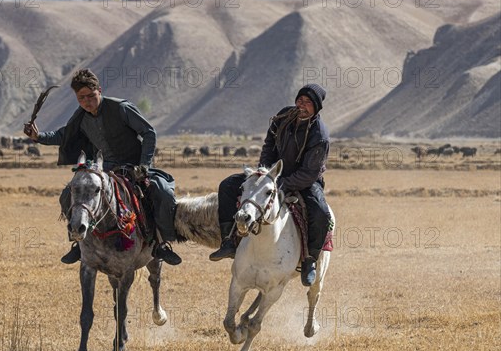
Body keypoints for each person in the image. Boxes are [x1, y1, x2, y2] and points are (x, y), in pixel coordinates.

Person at [24, 68, 181, 265]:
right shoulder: (80, 117)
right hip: (104, 170)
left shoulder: (121, 108)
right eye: (81, 98)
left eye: (91, 96)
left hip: (134, 168)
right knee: (68, 194)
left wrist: (143, 166)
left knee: (162, 192)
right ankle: (77, 241)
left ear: (99, 90)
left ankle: (162, 244)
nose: (86, 102)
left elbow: (149, 132)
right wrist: (38, 137)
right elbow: (64, 135)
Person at [209, 83, 332, 286]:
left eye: (308, 102)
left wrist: (281, 183)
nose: (302, 105)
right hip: (271, 175)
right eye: (300, 100)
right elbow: (269, 145)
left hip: (304, 181)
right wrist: (264, 173)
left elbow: (310, 172)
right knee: (228, 186)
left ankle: (310, 260)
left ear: (317, 107)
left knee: (321, 212)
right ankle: (229, 241)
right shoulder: (284, 116)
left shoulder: (320, 134)